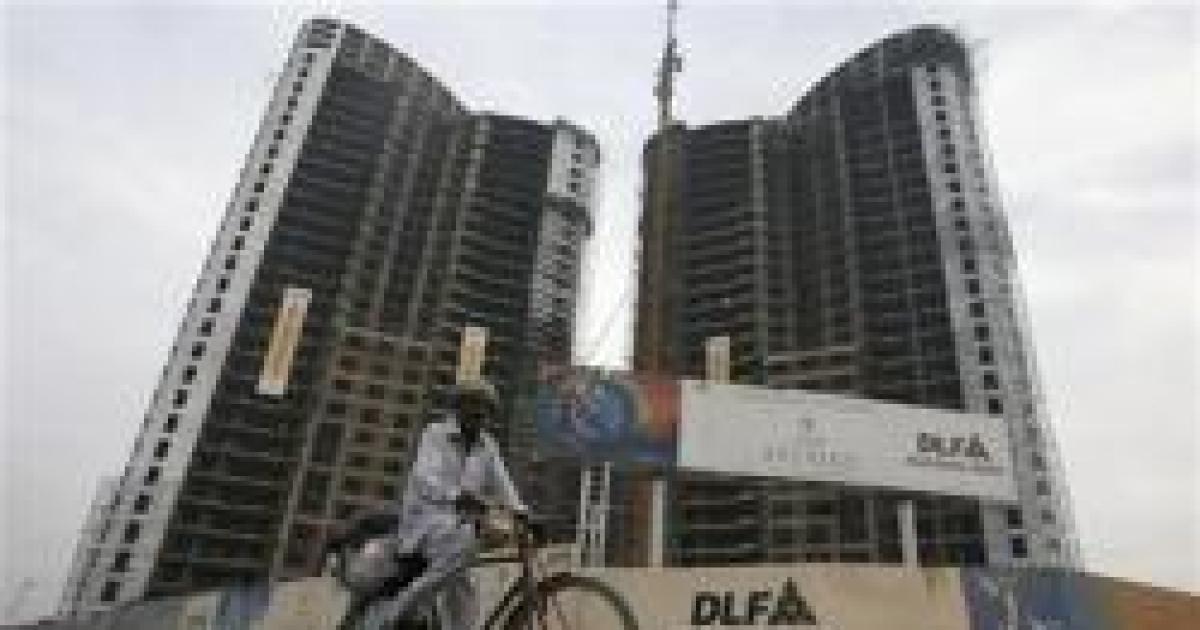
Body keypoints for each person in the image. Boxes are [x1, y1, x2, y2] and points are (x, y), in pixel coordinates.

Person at [372, 379, 528, 630]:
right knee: (467, 540)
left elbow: (504, 486)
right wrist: (456, 496)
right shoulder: (435, 435)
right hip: (423, 526)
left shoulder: (488, 446)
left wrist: (523, 514)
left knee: (465, 597)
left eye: (485, 408)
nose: (479, 413)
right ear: (458, 408)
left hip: (455, 533)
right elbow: (424, 478)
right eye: (473, 405)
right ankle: (397, 611)